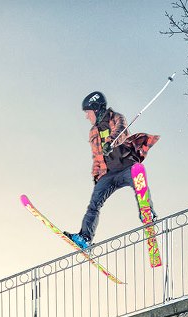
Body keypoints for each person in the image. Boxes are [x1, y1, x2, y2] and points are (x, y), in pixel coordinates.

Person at [64, 91, 160, 251]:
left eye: (87, 112)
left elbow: (121, 130)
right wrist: (97, 176)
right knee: (94, 204)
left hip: (127, 166)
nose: (86, 116)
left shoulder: (116, 118)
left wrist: (110, 142)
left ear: (96, 109)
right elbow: (96, 156)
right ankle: (85, 238)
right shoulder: (93, 132)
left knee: (138, 172)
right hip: (108, 174)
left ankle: (147, 211)